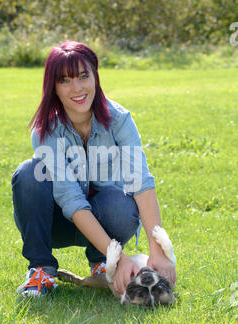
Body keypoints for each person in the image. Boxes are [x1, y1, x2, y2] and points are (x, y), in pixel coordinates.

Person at [12, 41, 176, 298]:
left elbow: (141, 183)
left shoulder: (120, 119)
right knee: (29, 173)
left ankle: (101, 262)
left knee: (120, 203)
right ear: (53, 87)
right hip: (57, 223)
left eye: (83, 76)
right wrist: (121, 260)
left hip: (106, 217)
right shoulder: (46, 131)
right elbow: (71, 200)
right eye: (64, 80)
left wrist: (157, 252)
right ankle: (41, 270)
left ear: (95, 77)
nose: (77, 88)